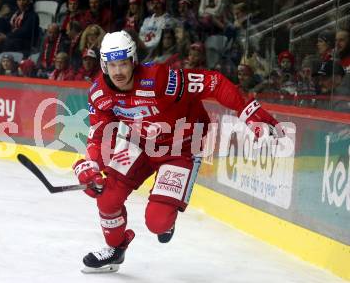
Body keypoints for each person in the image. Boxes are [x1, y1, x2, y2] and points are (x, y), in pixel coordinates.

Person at [72, 31, 281, 272]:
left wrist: (247, 111)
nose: (118, 71)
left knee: (157, 222)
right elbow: (99, 136)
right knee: (107, 198)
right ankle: (115, 249)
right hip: (139, 142)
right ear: (103, 65)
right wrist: (92, 165)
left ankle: (166, 208)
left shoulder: (160, 78)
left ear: (133, 61)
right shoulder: (99, 93)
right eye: (112, 65)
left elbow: (213, 82)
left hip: (181, 146)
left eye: (123, 64)